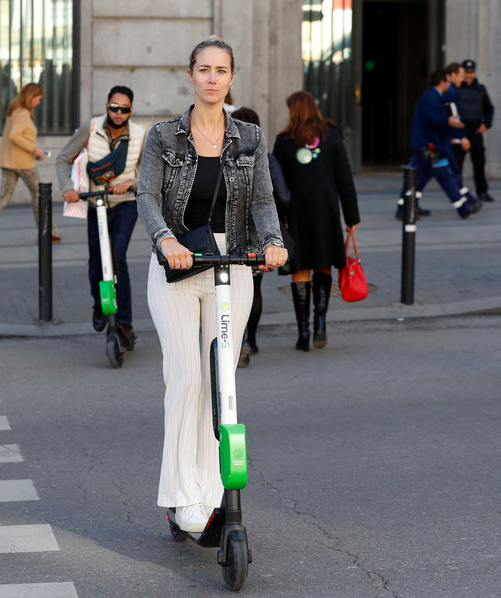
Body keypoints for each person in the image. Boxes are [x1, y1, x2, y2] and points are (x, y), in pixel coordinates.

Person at [137, 38, 287, 533]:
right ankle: (183, 500)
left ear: (231, 77)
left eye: (221, 70)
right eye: (204, 69)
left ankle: (211, 494)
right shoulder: (164, 136)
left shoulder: (249, 137)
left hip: (231, 261)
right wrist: (164, 240)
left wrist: (272, 241)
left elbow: (263, 199)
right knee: (186, 380)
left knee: (221, 384)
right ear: (191, 74)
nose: (211, 77)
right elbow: (147, 196)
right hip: (179, 260)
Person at [56, 86, 145, 345]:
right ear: (107, 106)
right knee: (96, 262)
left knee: (117, 258)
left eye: (125, 109)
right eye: (114, 107)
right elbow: (63, 159)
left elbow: (149, 174)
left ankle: (125, 323)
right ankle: (99, 303)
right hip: (96, 204)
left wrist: (132, 184)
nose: (119, 113)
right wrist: (67, 188)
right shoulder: (90, 128)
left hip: (125, 203)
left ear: (131, 110)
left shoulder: (140, 135)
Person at [273, 90, 360, 351]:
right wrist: (351, 217)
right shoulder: (331, 135)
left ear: (293, 110)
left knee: (300, 269)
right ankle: (320, 323)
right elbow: (345, 177)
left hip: (297, 215)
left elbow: (277, 185)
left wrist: (277, 219)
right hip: (326, 212)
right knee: (323, 266)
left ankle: (303, 331)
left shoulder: (284, 141)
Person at [231, 106, 292, 366]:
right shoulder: (266, 158)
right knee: (253, 289)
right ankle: (250, 340)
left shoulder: (221, 156)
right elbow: (285, 196)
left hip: (228, 234)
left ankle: (236, 339)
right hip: (258, 235)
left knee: (230, 288)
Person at [0, 83, 59, 248]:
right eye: (38, 99)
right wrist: (35, 149)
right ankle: (48, 232)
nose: (39, 102)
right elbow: (15, 136)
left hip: (9, 162)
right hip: (24, 163)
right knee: (39, 196)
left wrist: (35, 152)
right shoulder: (24, 114)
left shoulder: (14, 110)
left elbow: (15, 137)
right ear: (31, 97)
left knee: (3, 198)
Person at [394, 70, 482, 221]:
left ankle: (405, 207)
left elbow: (444, 120)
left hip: (431, 145)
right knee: (442, 174)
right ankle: (462, 207)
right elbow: (430, 118)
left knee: (420, 179)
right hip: (428, 146)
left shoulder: (437, 97)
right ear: (442, 82)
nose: (450, 84)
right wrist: (449, 123)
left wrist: (457, 133)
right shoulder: (430, 97)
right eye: (448, 81)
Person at [455, 59, 495, 202]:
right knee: (457, 161)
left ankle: (482, 191)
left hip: (476, 130)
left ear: (474, 73)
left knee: (479, 161)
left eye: (471, 72)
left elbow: (489, 108)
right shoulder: (457, 88)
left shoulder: (480, 89)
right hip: (461, 129)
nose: (468, 75)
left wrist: (486, 124)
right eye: (466, 72)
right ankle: (457, 191)